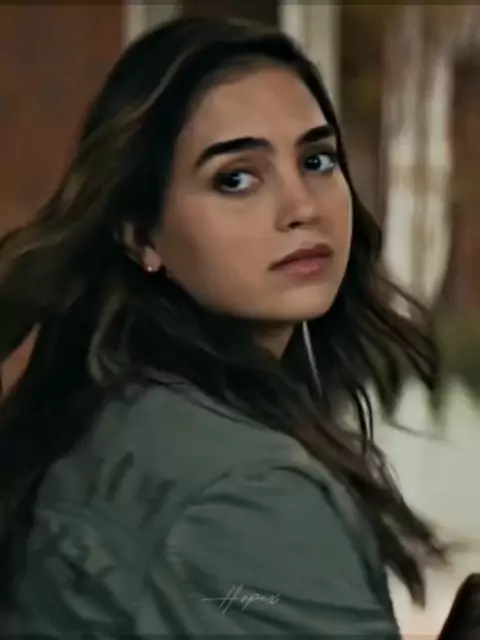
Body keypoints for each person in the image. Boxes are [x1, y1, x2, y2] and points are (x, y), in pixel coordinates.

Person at [0, 16, 447, 637]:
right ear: (141, 234)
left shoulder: (117, 405)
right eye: (236, 178)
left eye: (317, 160)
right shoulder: (246, 489)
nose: (302, 207)